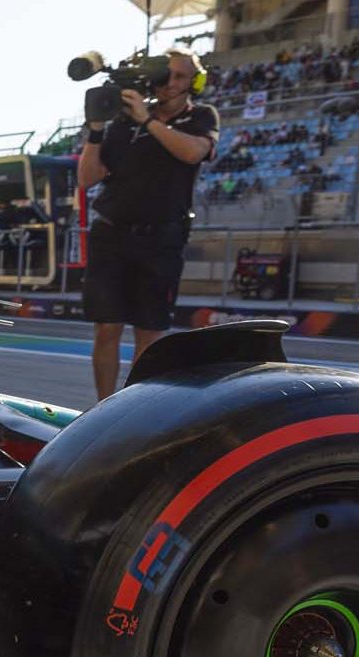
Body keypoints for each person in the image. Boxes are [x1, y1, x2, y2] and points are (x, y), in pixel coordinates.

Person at [77, 48, 219, 400]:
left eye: (181, 77)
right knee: (106, 328)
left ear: (195, 82)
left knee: (149, 332)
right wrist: (96, 130)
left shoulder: (201, 116)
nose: (171, 83)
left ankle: (130, 410)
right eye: (166, 74)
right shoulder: (124, 122)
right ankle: (103, 408)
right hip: (111, 233)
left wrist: (148, 122)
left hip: (161, 238)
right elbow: (86, 178)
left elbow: (192, 152)